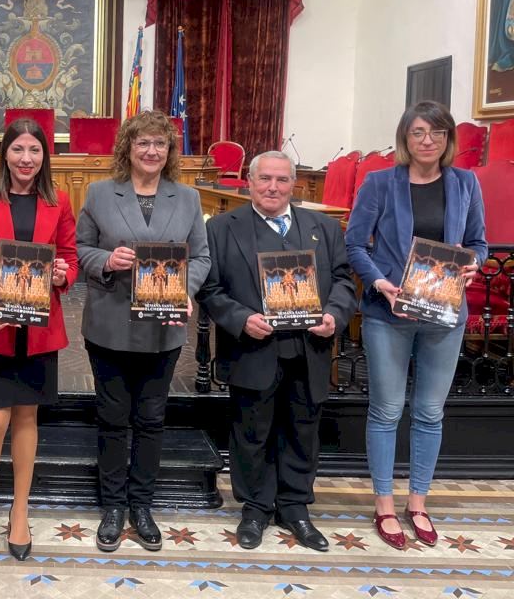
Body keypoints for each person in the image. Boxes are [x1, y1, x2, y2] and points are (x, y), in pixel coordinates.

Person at [197, 151, 356, 552]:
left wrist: (335, 316)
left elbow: (343, 280)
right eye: (264, 179)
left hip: (309, 348)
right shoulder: (221, 228)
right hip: (252, 348)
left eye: (282, 180)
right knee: (251, 432)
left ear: (294, 185)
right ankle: (255, 508)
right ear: (249, 182)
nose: (273, 187)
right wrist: (240, 319)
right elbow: (209, 289)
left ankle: (295, 507)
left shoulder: (324, 228)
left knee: (302, 430)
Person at [344, 101, 486, 550]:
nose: (428, 141)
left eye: (437, 133)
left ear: (448, 139)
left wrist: (474, 264)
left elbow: (478, 242)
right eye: (419, 132)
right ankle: (384, 505)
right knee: (387, 410)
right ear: (405, 137)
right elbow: (355, 244)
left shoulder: (465, 183)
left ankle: (418, 502)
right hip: (390, 313)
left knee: (429, 412)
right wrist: (381, 284)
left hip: (444, 314)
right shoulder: (379, 183)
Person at [75, 110, 210, 552]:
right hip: (110, 325)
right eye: (143, 143)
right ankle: (114, 506)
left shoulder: (188, 198)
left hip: (163, 328)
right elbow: (79, 248)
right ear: (127, 148)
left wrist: (184, 289)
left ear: (170, 151)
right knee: (113, 418)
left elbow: (202, 257)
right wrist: (105, 261)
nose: (151, 151)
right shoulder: (99, 193)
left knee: (151, 419)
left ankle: (142, 505)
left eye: (160, 144)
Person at [0, 118, 79, 561]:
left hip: (39, 326)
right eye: (17, 149)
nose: (26, 159)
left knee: (27, 418)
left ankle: (20, 509)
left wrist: (63, 275)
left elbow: (69, 258)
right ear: (4, 154)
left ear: (45, 156)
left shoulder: (59, 201)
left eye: (34, 150)